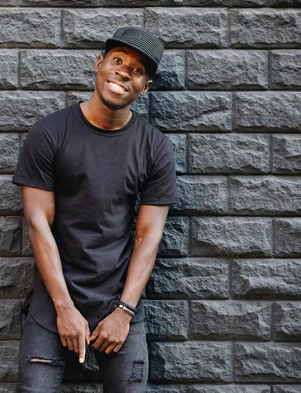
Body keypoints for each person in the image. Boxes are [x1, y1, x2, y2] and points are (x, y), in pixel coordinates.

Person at [12, 27, 178, 393]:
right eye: (117, 60)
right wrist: (64, 308)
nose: (123, 72)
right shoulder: (49, 133)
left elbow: (149, 235)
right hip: (53, 304)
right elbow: (38, 223)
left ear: (145, 87)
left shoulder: (155, 148)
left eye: (137, 70)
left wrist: (125, 312)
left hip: (120, 304)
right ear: (98, 64)